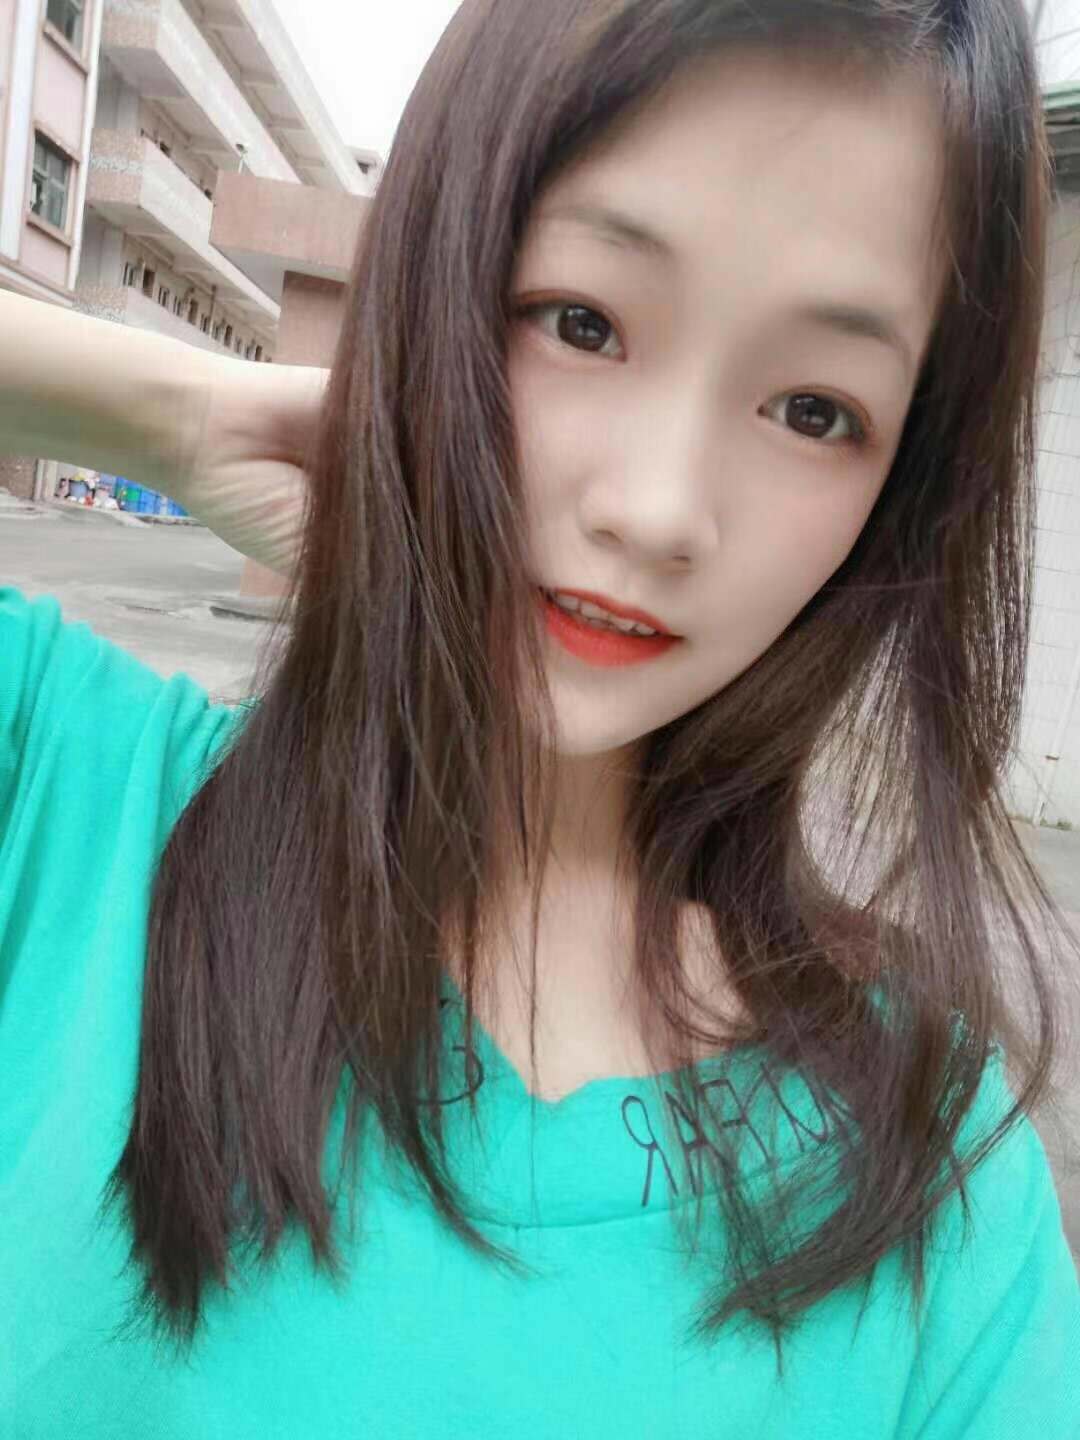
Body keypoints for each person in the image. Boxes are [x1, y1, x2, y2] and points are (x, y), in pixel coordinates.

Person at [1, 0, 1079, 1434]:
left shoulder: (937, 1163)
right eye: (584, 322)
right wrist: (177, 417)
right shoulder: (59, 794)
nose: (659, 509)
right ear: (440, 280)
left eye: (815, 409)